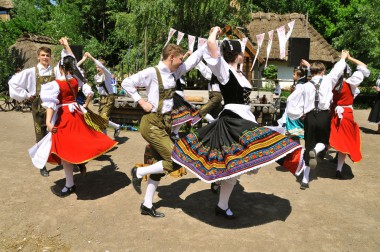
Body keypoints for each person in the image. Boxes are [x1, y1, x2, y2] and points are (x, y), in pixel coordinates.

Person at [171, 27, 304, 219]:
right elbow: (210, 45)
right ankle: (222, 202)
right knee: (238, 161)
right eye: (241, 52)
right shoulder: (225, 71)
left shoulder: (240, 74)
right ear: (237, 55)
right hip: (233, 120)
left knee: (238, 164)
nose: (243, 54)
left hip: (243, 119)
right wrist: (214, 33)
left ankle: (221, 198)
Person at [123, 43, 205, 218]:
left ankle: (146, 204)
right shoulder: (152, 72)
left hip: (165, 124)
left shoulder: (175, 72)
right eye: (180, 58)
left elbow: (192, 62)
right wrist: (141, 101)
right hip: (152, 123)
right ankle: (138, 172)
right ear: (171, 57)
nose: (182, 61)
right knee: (175, 160)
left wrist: (208, 42)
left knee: (159, 166)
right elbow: (126, 82)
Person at [32, 54, 117, 197]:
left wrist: (48, 122)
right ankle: (78, 165)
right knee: (79, 141)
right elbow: (88, 92)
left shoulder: (55, 84)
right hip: (76, 114)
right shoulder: (76, 81)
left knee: (65, 150)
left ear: (60, 68)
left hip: (64, 117)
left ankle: (70, 184)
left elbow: (51, 105)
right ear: (72, 68)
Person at [286, 52, 348, 189]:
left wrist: (299, 113)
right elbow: (337, 70)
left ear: (311, 72)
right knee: (324, 143)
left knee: (308, 146)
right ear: (323, 71)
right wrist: (343, 59)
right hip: (324, 116)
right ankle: (316, 150)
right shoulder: (328, 80)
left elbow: (290, 100)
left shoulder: (304, 86)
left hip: (309, 117)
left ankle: (305, 180)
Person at [9, 45, 61, 177]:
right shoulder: (31, 72)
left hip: (53, 109)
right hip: (38, 108)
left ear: (50, 58)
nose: (45, 57)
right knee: (40, 136)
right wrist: (26, 95)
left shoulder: (55, 71)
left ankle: (61, 159)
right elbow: (13, 82)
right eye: (43, 55)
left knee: (57, 134)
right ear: (38, 56)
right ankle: (41, 164)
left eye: (47, 55)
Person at [329, 53, 370, 179]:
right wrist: (350, 57)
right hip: (346, 114)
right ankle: (338, 170)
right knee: (345, 142)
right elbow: (364, 66)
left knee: (330, 138)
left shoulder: (332, 82)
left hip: (333, 112)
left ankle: (318, 151)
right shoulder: (352, 82)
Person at [84, 53, 121, 138]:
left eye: (99, 67)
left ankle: (111, 132)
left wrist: (91, 57)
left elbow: (112, 83)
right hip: (102, 98)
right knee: (101, 119)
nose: (97, 68)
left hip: (109, 97)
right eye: (96, 67)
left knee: (104, 117)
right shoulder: (96, 77)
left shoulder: (107, 74)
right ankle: (113, 130)